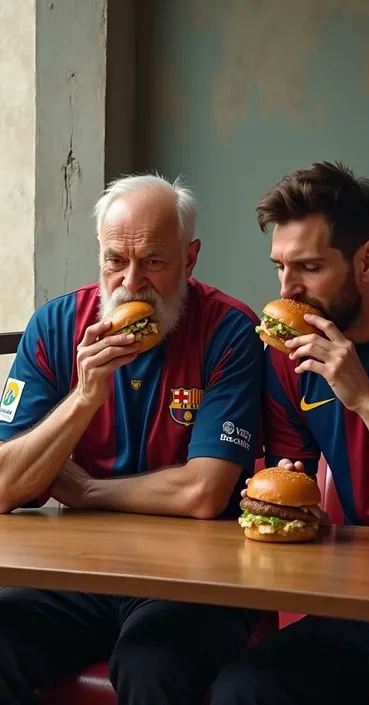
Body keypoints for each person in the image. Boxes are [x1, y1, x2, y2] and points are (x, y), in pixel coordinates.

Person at [211, 161, 369, 705]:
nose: (289, 289)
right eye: (280, 268)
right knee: (245, 688)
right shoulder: (288, 357)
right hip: (365, 609)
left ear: (368, 261)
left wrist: (367, 401)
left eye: (308, 267)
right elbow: (296, 498)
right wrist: (288, 498)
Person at [0, 173, 264, 705]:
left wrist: (88, 491)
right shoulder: (55, 326)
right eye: (116, 261)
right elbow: (5, 485)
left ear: (190, 260)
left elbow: (203, 493)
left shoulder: (230, 331)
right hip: (78, 573)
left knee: (151, 665)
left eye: (154, 262)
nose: (131, 282)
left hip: (194, 583)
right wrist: (83, 398)